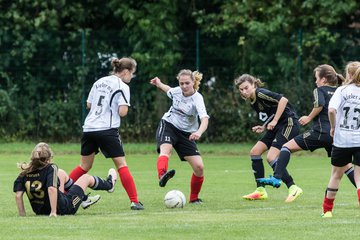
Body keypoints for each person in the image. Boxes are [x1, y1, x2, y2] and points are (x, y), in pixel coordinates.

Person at [258, 64, 357, 200]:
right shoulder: (341, 90)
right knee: (346, 166)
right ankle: (358, 188)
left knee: (286, 147)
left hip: (320, 132)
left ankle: (277, 178)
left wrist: (309, 117)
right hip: (336, 135)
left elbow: (320, 105)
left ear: (323, 79)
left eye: (316, 78)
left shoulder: (319, 90)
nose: (315, 81)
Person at [68, 57, 144, 210]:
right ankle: (135, 201)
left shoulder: (99, 82)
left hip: (89, 128)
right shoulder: (122, 86)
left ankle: (63, 190)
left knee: (84, 165)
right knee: (121, 165)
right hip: (107, 130)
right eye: (132, 73)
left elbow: (89, 104)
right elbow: (122, 112)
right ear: (125, 71)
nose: (131, 77)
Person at [234, 74, 302, 202]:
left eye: (246, 88)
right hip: (276, 126)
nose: (244, 91)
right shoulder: (252, 100)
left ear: (254, 85)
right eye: (241, 90)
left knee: (271, 157)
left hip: (288, 123)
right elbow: (273, 111)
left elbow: (283, 100)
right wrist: (264, 126)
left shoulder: (260, 93)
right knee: (255, 152)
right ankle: (260, 190)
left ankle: (293, 187)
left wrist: (275, 120)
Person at [150, 69, 209, 204]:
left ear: (193, 82)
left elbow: (204, 119)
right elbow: (168, 89)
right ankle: (162, 175)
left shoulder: (197, 98)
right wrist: (159, 83)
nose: (183, 86)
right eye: (181, 83)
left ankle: (194, 198)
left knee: (199, 167)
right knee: (166, 150)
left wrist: (198, 132)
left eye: (187, 83)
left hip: (186, 133)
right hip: (169, 125)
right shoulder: (177, 91)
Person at [13, 142, 117, 217]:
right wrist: (53, 212)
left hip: (40, 211)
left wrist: (22, 215)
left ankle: (84, 200)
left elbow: (18, 195)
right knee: (86, 178)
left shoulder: (24, 172)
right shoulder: (51, 167)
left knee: (61, 173)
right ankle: (109, 185)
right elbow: (52, 189)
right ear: (48, 159)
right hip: (66, 208)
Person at [321, 62, 360, 218]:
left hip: (342, 140)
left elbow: (331, 110)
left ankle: (327, 211)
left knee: (336, 175)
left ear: (349, 75)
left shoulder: (341, 90)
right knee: (359, 178)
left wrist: (333, 127)